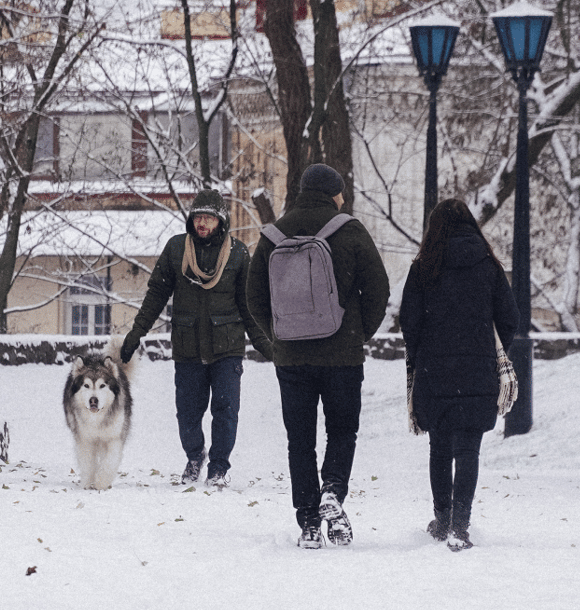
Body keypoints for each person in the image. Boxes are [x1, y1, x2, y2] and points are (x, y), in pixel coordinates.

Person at [246, 164, 391, 549]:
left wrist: (279, 336)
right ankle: (333, 491)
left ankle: (309, 522)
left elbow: (254, 296)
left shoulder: (273, 235)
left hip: (292, 358)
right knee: (343, 430)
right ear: (334, 193)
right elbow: (379, 288)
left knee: (300, 439)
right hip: (342, 355)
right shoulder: (350, 229)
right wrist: (359, 333)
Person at [121, 189, 273, 487]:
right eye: (198, 217)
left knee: (226, 410)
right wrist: (136, 333)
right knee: (188, 413)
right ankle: (194, 456)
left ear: (221, 221)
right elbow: (156, 295)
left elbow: (249, 304)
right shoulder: (177, 249)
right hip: (188, 346)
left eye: (209, 218)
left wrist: (264, 343)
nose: (203, 223)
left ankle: (218, 468)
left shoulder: (239, 253)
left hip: (227, 346)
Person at [399, 198, 519, 551]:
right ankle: (460, 525)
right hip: (478, 369)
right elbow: (509, 317)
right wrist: (485, 343)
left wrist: (425, 350)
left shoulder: (423, 267)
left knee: (439, 446)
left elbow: (409, 321)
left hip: (435, 370)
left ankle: (441, 519)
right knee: (468, 448)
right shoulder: (488, 265)